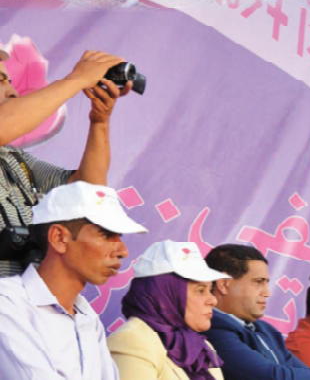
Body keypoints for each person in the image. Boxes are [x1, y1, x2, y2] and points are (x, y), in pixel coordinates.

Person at [0, 47, 131, 278]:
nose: (12, 92)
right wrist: (78, 78)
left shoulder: (12, 158)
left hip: (17, 304)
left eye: (9, 81)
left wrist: (100, 121)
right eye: (1, 81)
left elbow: (85, 189)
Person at [0, 181, 148, 378]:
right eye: (106, 235)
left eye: (119, 236)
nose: (123, 251)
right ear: (59, 238)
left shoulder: (87, 315)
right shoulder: (7, 303)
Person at [203, 244, 310, 380]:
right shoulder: (211, 328)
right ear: (225, 284)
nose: (267, 293)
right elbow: (271, 377)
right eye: (258, 282)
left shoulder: (266, 329)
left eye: (266, 282)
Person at [107, 241, 228, 380]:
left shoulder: (200, 345)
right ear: (164, 294)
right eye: (200, 290)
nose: (213, 300)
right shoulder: (131, 340)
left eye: (210, 289)